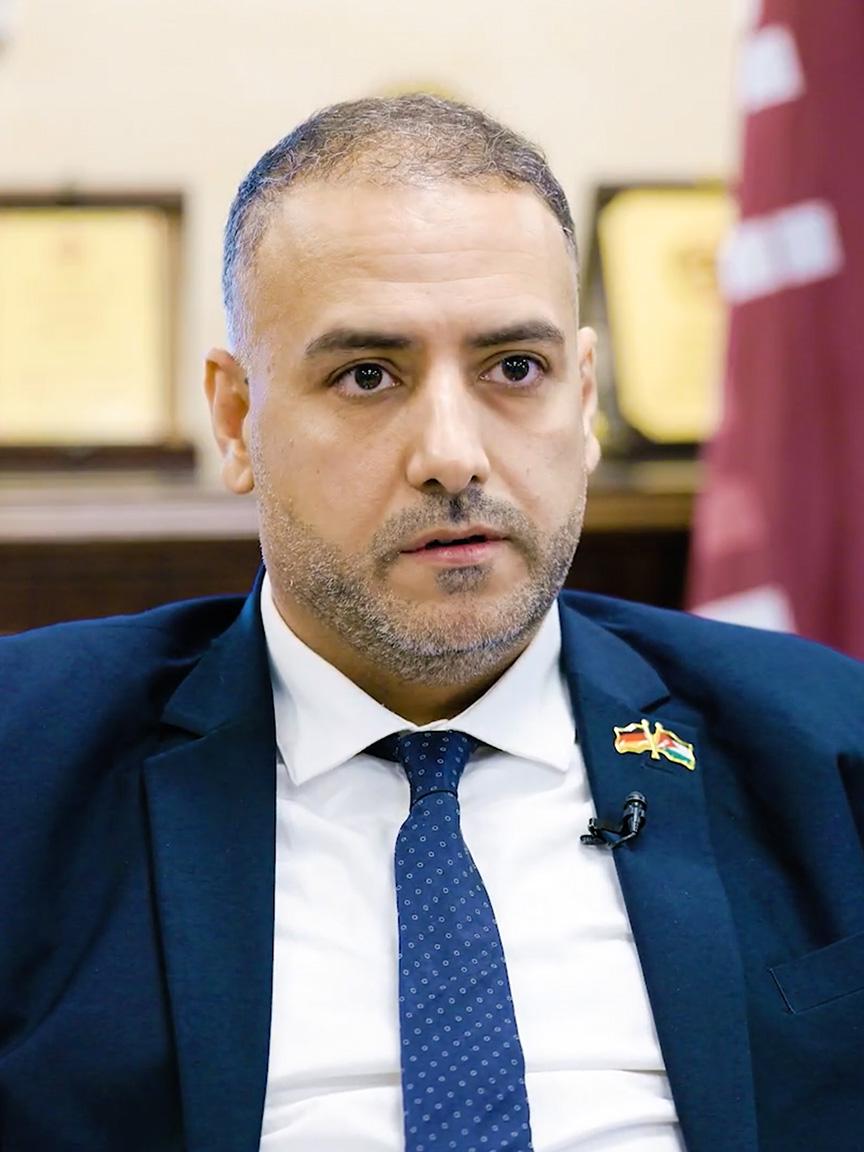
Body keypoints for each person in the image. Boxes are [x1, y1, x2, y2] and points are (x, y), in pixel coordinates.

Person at [1, 94, 862, 1152]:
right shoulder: (24, 765)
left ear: (584, 398)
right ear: (236, 419)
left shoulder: (824, 745)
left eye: (515, 369)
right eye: (367, 376)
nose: (452, 454)